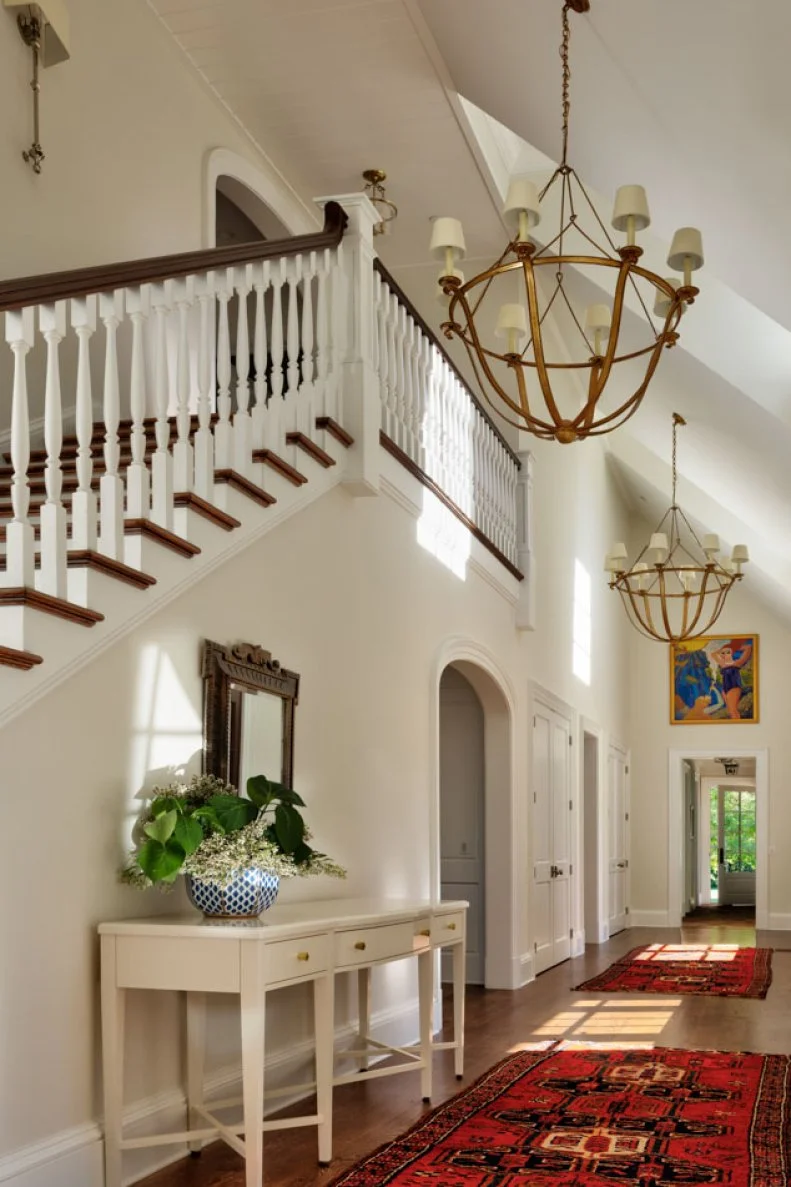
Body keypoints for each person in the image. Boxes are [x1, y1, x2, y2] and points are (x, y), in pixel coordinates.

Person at [707, 639, 752, 720]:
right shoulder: (722, 664)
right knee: (730, 711)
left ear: (731, 653)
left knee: (733, 710)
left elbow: (748, 648)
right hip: (725, 689)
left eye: (728, 652)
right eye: (723, 653)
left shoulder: (737, 663)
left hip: (734, 687)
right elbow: (713, 654)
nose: (725, 654)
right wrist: (724, 649)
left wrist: (734, 647)